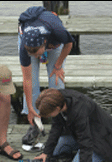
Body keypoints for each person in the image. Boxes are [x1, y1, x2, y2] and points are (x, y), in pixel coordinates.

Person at [18, 6, 74, 137]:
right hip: (32, 40)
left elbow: (69, 44)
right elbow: (27, 80)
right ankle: (35, 124)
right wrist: (30, 108)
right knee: (33, 82)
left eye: (38, 55)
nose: (37, 59)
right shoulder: (24, 48)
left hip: (53, 41)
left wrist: (58, 65)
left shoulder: (57, 31)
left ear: (45, 43)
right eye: (33, 56)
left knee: (56, 80)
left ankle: (60, 122)